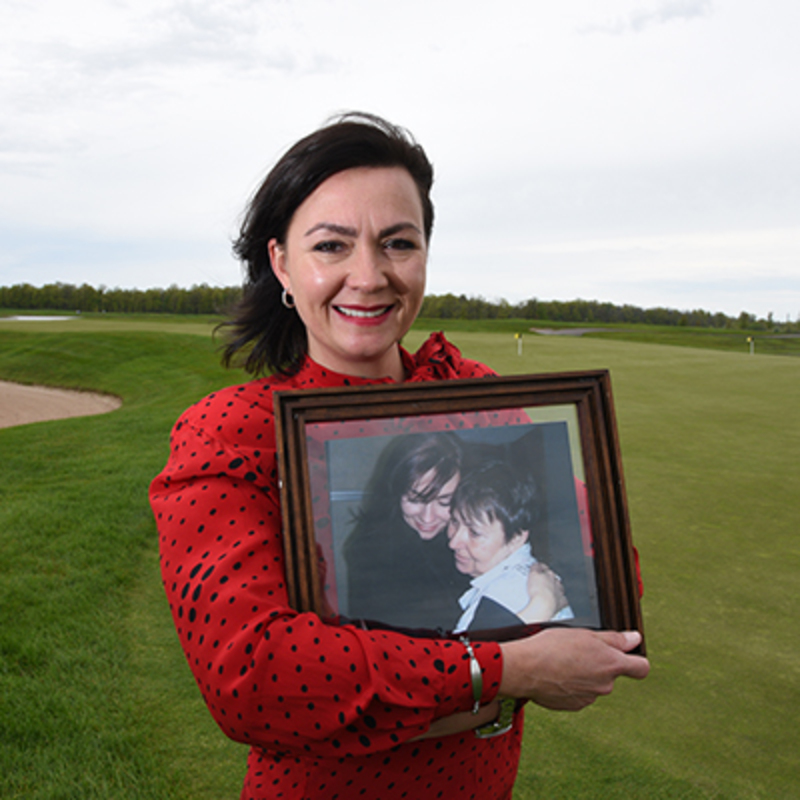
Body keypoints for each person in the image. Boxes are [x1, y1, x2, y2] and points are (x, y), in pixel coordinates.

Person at [149, 112, 649, 800]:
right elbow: (255, 677)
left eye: (398, 243)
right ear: (281, 264)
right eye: (331, 245)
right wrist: (504, 673)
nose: (369, 275)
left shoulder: (470, 393)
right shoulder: (232, 433)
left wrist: (396, 687)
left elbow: (606, 581)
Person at [343, 432, 469, 631]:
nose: (428, 518)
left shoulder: (474, 533)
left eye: (445, 502)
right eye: (415, 500)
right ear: (395, 492)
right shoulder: (369, 551)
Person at [448, 458, 574, 634]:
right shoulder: (524, 581)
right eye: (454, 521)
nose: (453, 542)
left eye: (475, 533)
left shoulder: (506, 595)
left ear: (516, 538)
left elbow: (468, 659)